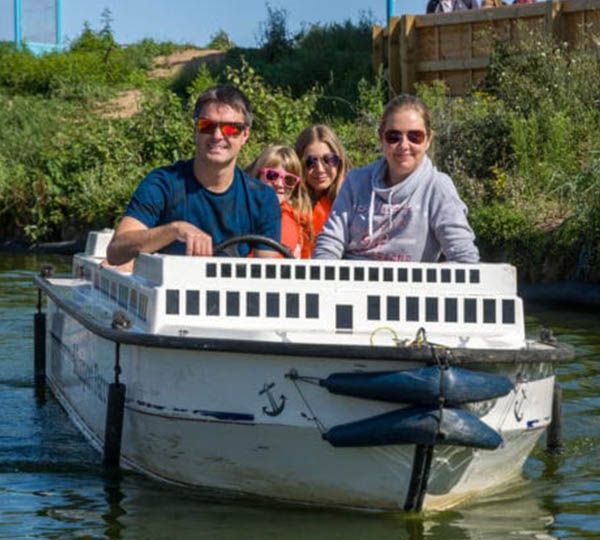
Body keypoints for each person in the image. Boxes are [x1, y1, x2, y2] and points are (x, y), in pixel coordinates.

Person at [106, 84, 281, 267]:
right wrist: (174, 230)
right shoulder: (163, 183)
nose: (217, 135)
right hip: (167, 291)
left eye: (230, 129)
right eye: (207, 125)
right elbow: (116, 251)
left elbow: (267, 274)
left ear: (245, 135)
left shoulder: (263, 198)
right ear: (195, 130)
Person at [313, 94, 479, 263]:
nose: (404, 146)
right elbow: (330, 242)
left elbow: (463, 256)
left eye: (415, 136)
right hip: (353, 284)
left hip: (413, 286)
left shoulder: (437, 187)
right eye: (393, 137)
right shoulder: (356, 181)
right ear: (381, 138)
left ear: (428, 140)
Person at [294, 125, 350, 258]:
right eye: (311, 161)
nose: (320, 169)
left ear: (340, 162)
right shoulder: (289, 200)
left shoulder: (354, 199)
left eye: (329, 160)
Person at [247, 145, 312, 258]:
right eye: (272, 175)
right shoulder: (240, 207)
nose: (279, 184)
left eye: (289, 180)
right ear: (258, 175)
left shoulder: (286, 220)